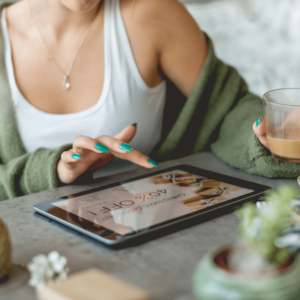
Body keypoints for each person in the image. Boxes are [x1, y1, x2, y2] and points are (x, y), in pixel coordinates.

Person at [0, 0, 299, 201]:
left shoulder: (153, 13)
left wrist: (268, 134)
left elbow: (227, 109)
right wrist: (52, 171)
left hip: (160, 229)